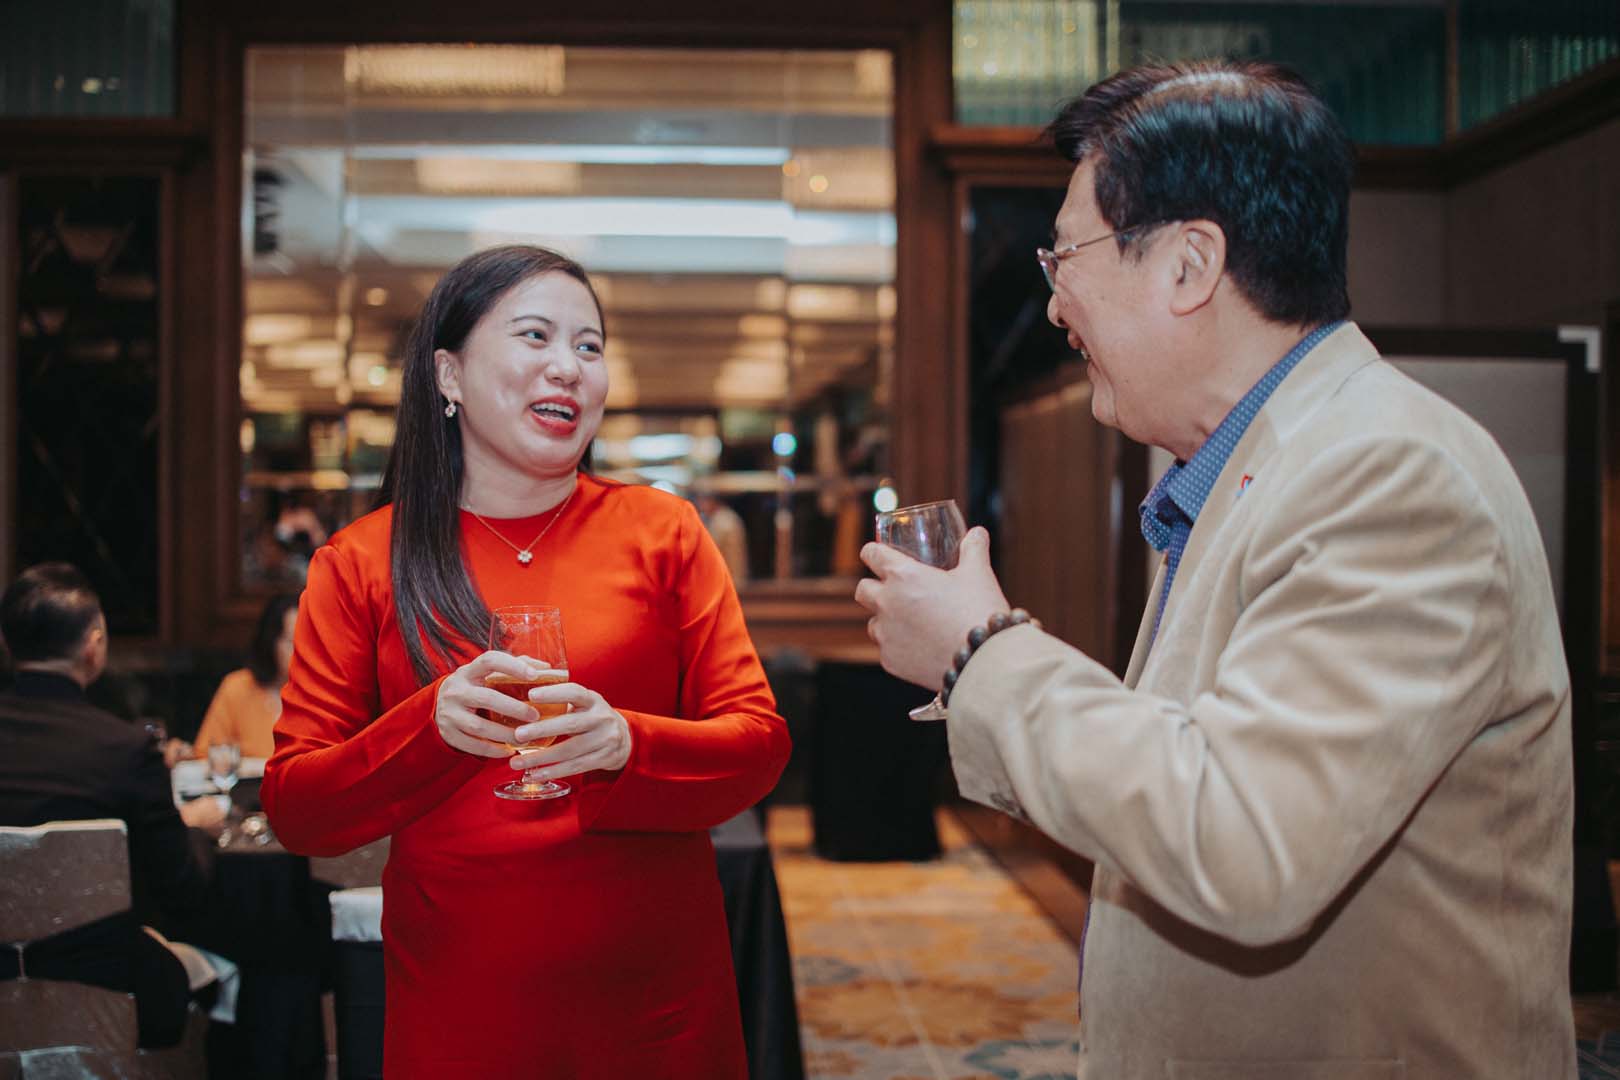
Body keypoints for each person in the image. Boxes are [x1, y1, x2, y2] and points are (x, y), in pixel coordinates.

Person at [856, 60, 1575, 1078]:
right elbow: (1173, 774)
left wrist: (981, 655)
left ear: (1190, 265)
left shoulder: (1388, 473)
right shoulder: (1255, 464)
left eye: (1066, 256)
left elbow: (1245, 844)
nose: (1054, 306)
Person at [260, 245, 790, 1077]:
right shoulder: (362, 562)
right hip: (463, 1005)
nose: (568, 367)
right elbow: (298, 812)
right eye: (536, 336)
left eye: (589, 345)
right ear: (449, 374)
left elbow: (759, 747)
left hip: (656, 1002)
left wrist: (627, 743)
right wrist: (428, 728)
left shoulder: (664, 533)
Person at [0, 562, 226, 1048]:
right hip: (106, 984)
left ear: (6, 643)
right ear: (94, 645)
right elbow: (182, 889)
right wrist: (192, 827)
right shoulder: (123, 750)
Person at [191, 593, 298, 761]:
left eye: (309, 641)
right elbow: (205, 754)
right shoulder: (237, 687)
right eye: (292, 641)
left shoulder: (326, 693)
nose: (302, 651)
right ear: (270, 641)